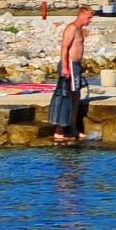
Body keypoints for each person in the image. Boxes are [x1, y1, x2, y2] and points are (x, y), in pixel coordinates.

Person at [51, 7, 92, 144]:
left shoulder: (80, 29)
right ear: (81, 15)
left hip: (76, 66)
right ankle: (59, 130)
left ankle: (72, 128)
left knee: (75, 97)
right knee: (66, 96)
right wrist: (65, 67)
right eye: (88, 17)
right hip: (69, 65)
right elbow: (64, 47)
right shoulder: (72, 28)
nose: (90, 20)